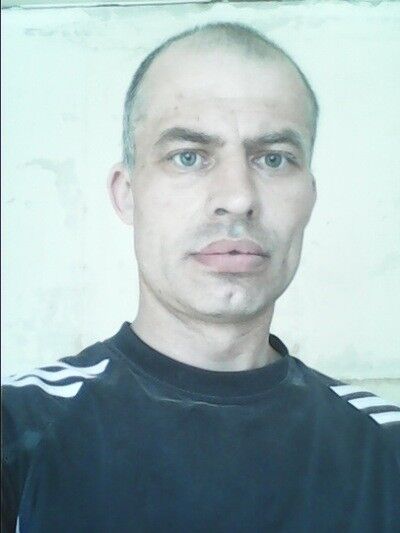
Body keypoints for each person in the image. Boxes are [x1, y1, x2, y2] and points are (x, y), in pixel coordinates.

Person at [2, 22, 399, 533]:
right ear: (127, 194)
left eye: (274, 159)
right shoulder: (17, 430)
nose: (238, 197)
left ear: (310, 197)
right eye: (188, 157)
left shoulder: (388, 446)